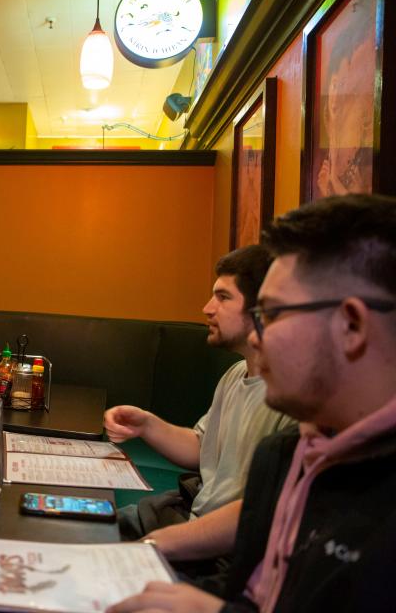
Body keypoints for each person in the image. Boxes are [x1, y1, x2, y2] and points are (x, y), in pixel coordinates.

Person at [108, 193, 396, 613]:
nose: (258, 338)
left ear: (351, 325)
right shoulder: (285, 455)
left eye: (274, 315)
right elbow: (255, 595)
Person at [105, 245, 295, 546]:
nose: (207, 308)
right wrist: (145, 425)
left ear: (263, 309)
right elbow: (202, 448)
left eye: (223, 297)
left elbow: (262, 513)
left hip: (213, 545)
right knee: (81, 526)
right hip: (187, 511)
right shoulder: (235, 374)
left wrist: (159, 544)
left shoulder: (293, 398)